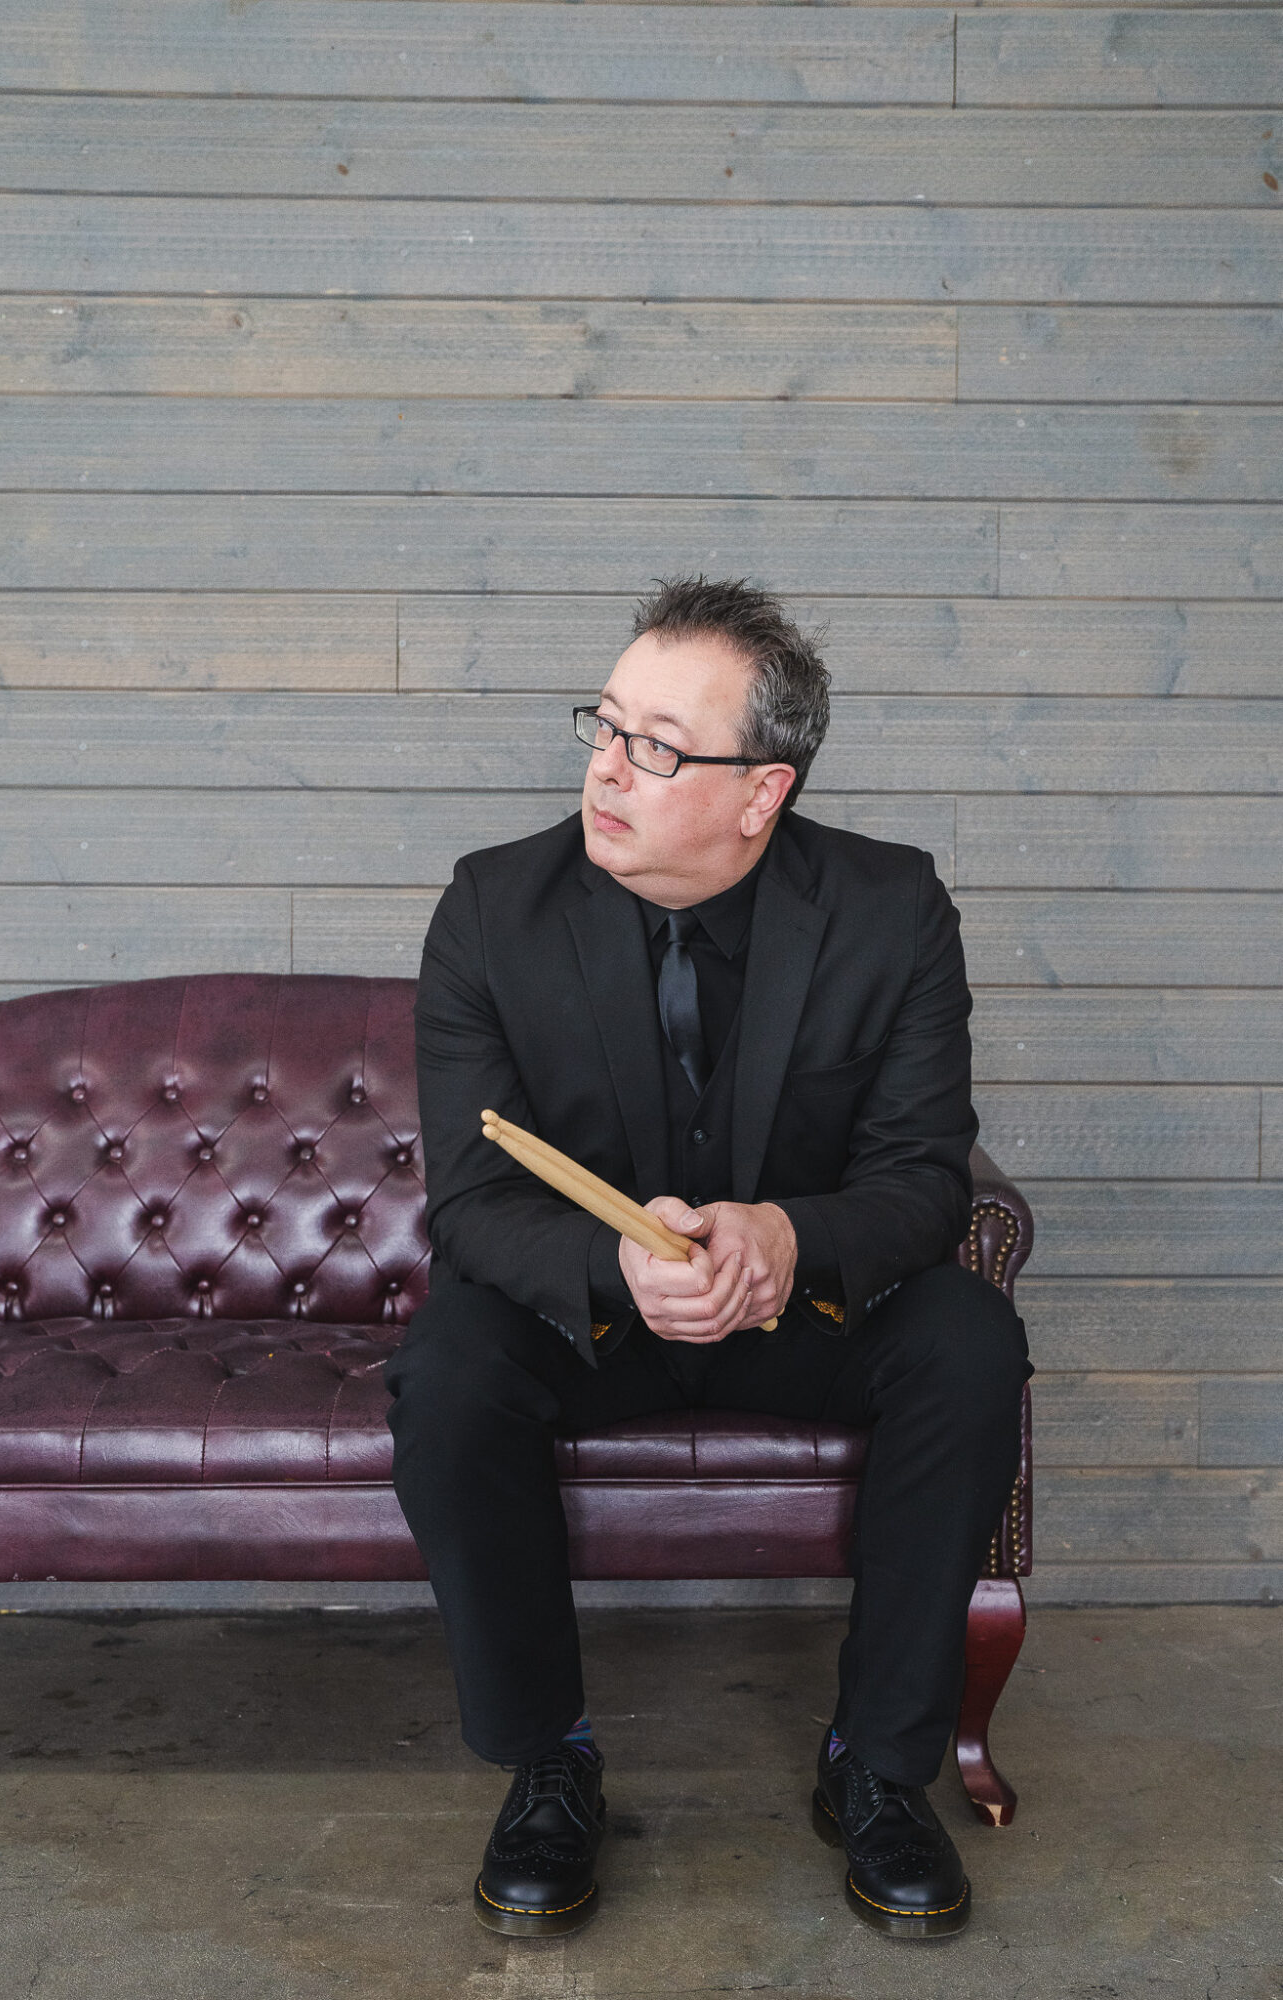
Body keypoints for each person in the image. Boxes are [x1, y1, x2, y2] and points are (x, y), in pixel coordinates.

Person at [386, 576, 1033, 1943]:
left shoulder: (890, 908)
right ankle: (546, 1758)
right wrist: (618, 1269)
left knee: (967, 1342)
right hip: (595, 1320)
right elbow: (476, 1202)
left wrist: (784, 1236)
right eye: (604, 727)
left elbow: (920, 1183)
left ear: (762, 792)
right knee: (448, 1363)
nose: (607, 771)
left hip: (793, 1307)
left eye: (658, 747)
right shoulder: (492, 909)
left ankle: (876, 1764)